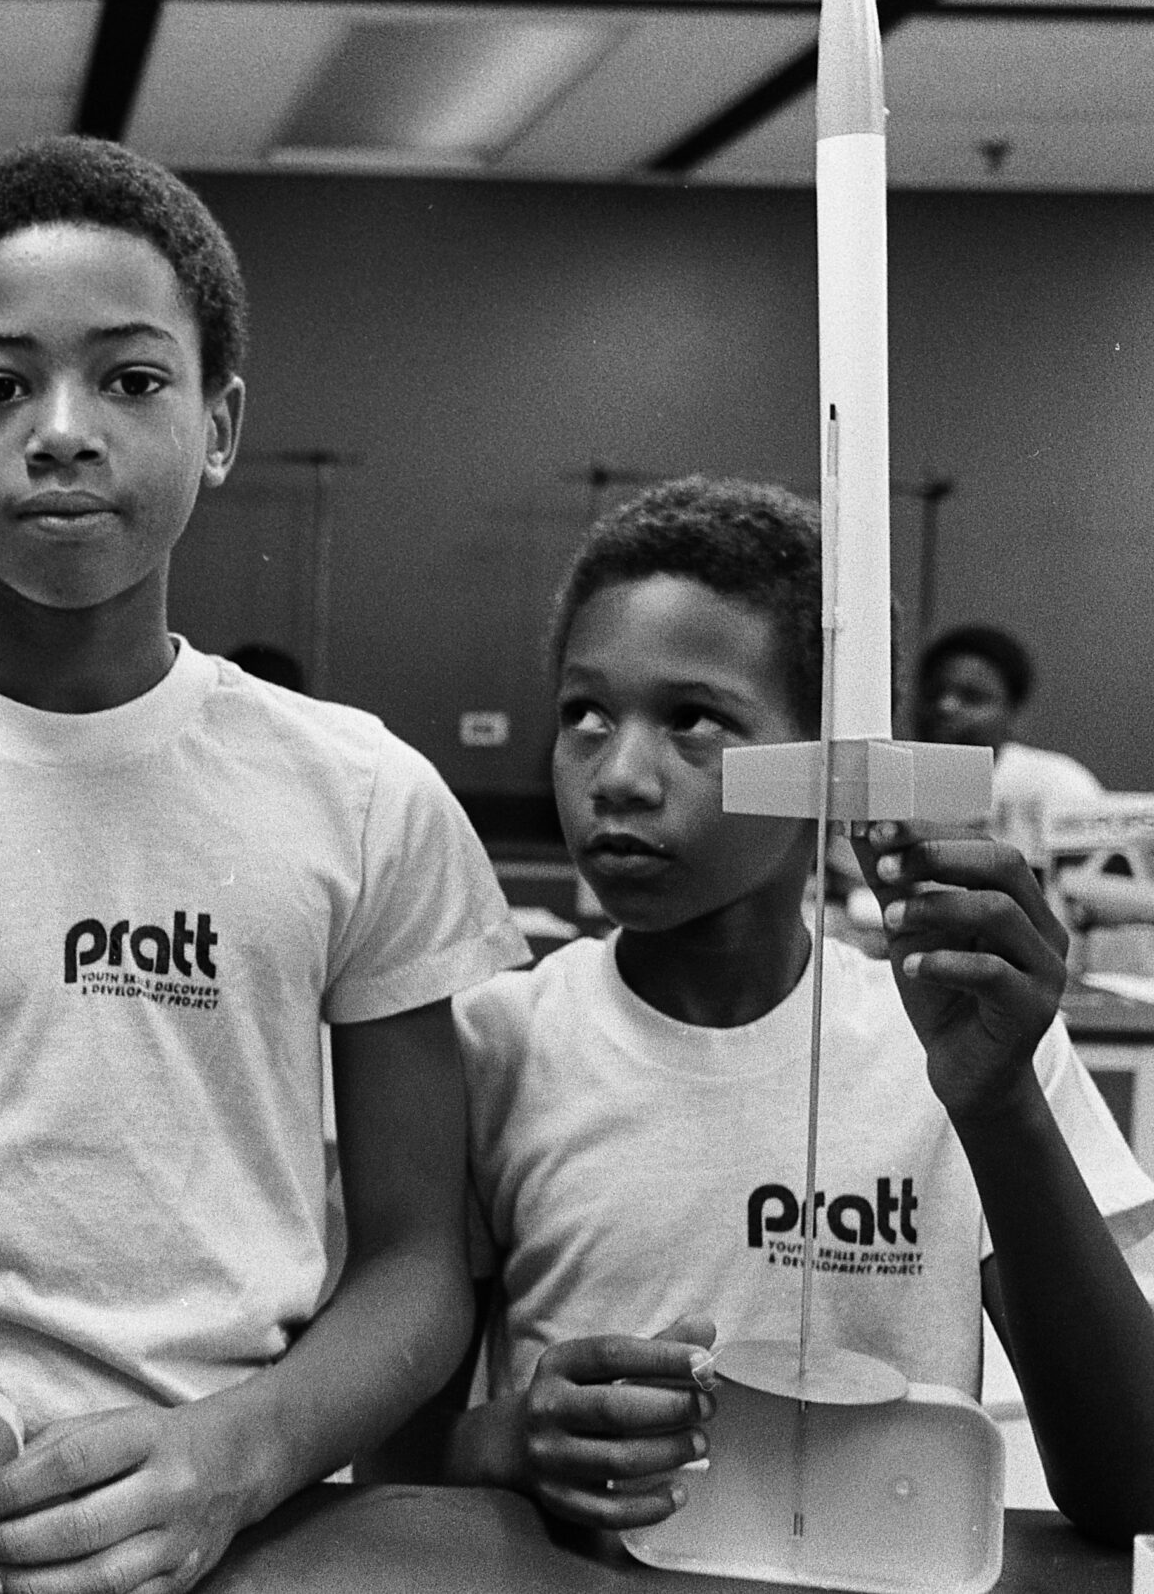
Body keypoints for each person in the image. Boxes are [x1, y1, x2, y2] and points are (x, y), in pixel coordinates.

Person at [0, 136, 527, 1594]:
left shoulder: (363, 796)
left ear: (219, 423)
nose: (62, 432)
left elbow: (420, 1268)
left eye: (130, 380)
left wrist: (238, 1454)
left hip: (235, 1517)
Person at [376, 479, 1154, 1542]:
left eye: (693, 720)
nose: (618, 775)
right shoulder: (495, 1043)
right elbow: (391, 1462)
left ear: (828, 762)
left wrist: (1000, 1106)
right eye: (584, 715)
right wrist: (508, 1441)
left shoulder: (960, 1041)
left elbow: (1133, 1484)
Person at [916, 623, 1104, 854]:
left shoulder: (1058, 784)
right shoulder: (892, 786)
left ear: (1014, 713)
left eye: (972, 697)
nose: (945, 707)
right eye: (932, 693)